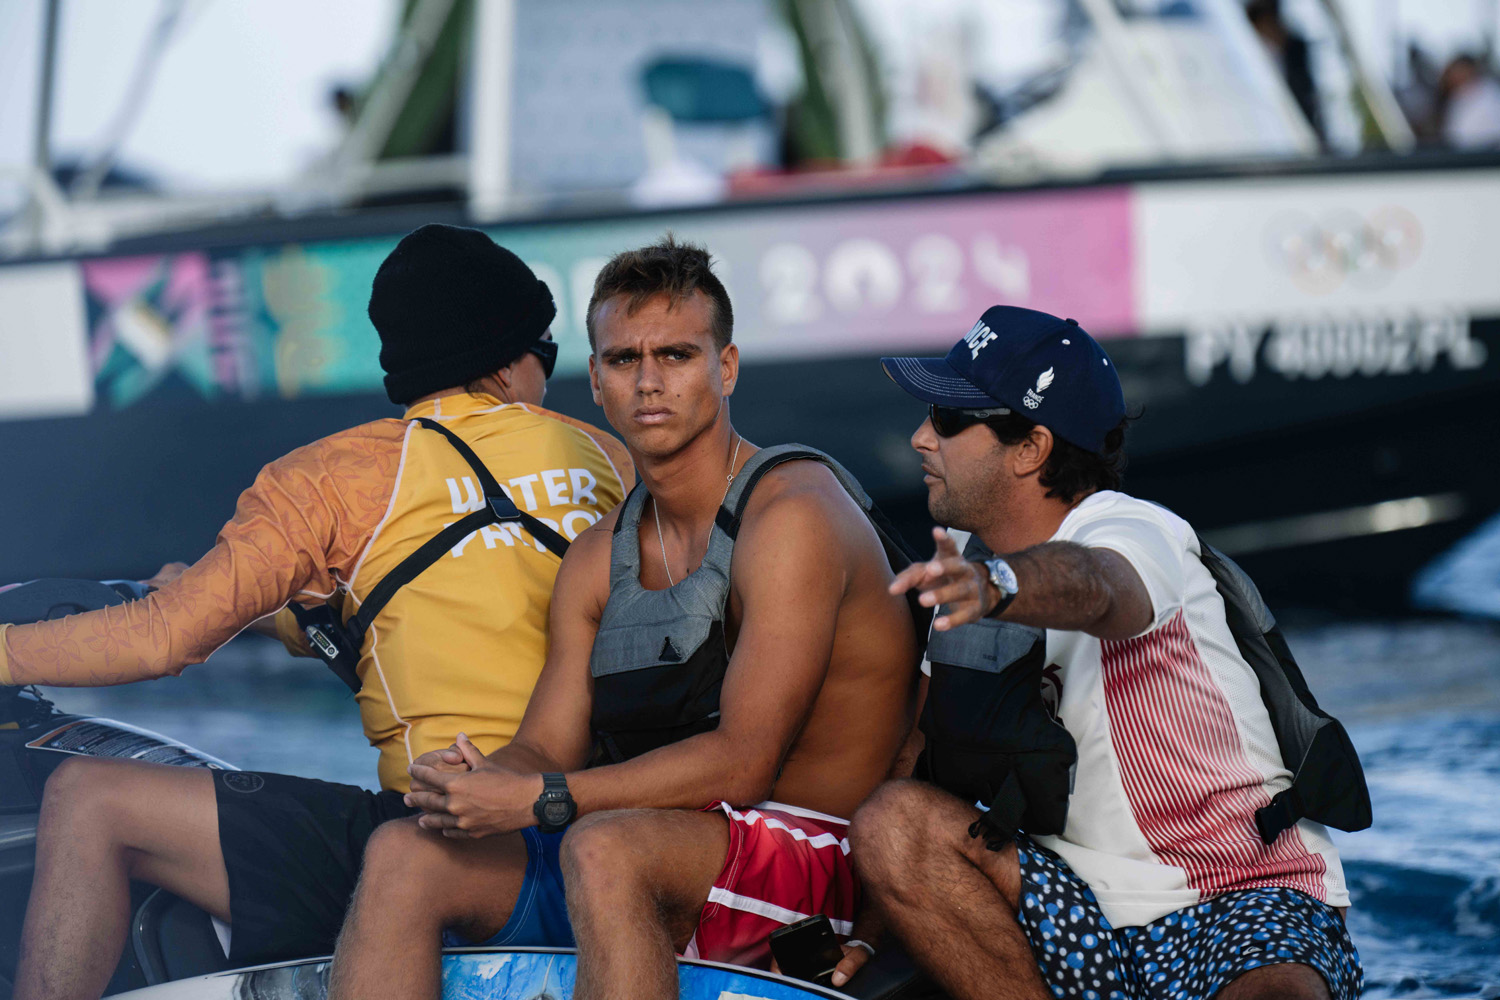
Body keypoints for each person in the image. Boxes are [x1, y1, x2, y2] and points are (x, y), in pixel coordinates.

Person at [1, 224, 633, 1000]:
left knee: (87, 801)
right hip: (608, 840)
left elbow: (160, 640)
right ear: (511, 360)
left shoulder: (332, 480)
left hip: (444, 843)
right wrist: (249, 608)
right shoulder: (608, 457)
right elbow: (427, 604)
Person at [324, 237, 922, 1000]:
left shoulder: (792, 516)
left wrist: (541, 798)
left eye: (675, 355)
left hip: (813, 865)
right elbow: (547, 741)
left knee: (604, 847)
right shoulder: (596, 555)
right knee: (403, 853)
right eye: (621, 360)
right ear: (596, 385)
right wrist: (477, 778)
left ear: (725, 368)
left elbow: (746, 762)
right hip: (656, 847)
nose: (648, 382)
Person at [845, 306, 1364, 1000]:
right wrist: (864, 934)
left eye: (946, 417)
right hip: (1076, 910)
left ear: (1030, 447)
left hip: (1239, 899)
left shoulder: (1134, 530)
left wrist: (1000, 583)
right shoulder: (964, 573)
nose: (918, 439)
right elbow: (916, 764)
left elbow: (1099, 587)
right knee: (891, 821)